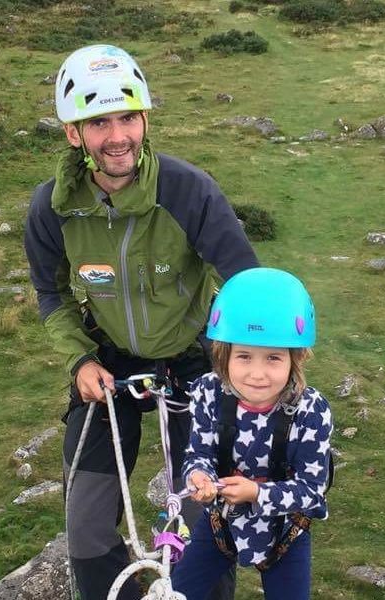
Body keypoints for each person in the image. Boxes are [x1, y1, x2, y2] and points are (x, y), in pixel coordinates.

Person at [23, 44, 257, 600]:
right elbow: (51, 293)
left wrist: (244, 366)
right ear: (73, 133)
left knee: (207, 519)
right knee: (86, 526)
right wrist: (80, 360)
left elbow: (245, 283)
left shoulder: (187, 191)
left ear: (145, 120)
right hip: (109, 365)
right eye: (98, 123)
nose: (118, 136)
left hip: (194, 359)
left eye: (128, 117)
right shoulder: (52, 208)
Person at [172, 268, 333, 600]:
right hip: (219, 525)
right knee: (176, 594)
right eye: (244, 356)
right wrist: (198, 476)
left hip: (286, 531)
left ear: (295, 359)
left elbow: (313, 493)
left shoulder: (311, 411)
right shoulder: (208, 392)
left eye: (273, 358)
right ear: (224, 354)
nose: (257, 374)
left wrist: (256, 493)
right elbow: (198, 454)